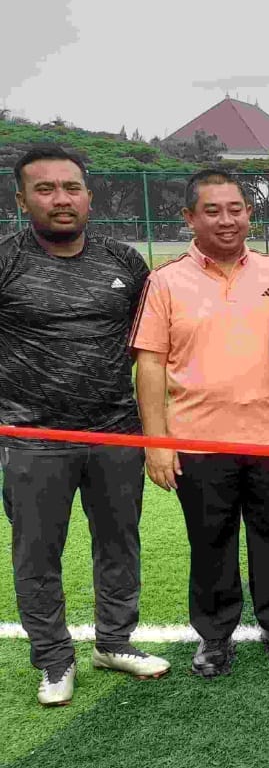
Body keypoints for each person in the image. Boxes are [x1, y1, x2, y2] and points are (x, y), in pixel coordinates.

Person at [1, 146, 170, 707]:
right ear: (22, 198)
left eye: (71, 188)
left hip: (115, 432)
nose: (61, 199)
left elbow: (152, 346)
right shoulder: (5, 259)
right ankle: (53, 660)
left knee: (119, 543)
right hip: (31, 437)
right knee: (37, 554)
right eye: (45, 189)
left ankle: (114, 642)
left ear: (89, 196)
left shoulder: (124, 262)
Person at [131, 170, 269, 677]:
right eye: (213, 210)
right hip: (199, 441)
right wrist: (157, 442)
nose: (227, 219)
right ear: (190, 217)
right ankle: (215, 636)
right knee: (211, 542)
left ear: (250, 214)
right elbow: (150, 365)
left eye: (236, 209)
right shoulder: (165, 281)